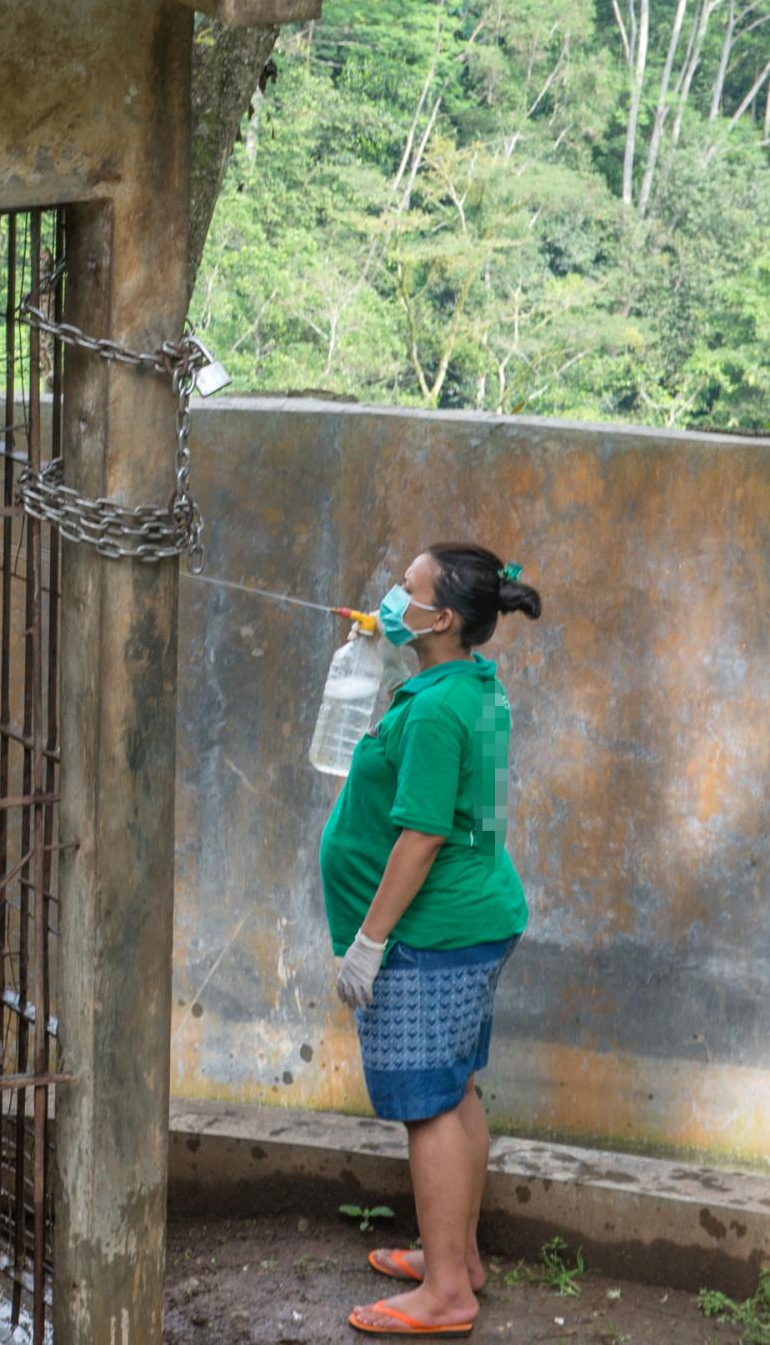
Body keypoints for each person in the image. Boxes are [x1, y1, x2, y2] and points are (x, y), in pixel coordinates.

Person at [319, 542, 541, 1338]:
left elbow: (418, 836)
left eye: (405, 590)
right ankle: (459, 1259)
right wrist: (380, 649)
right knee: (456, 1090)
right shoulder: (463, 684)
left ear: (443, 617)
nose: (389, 595)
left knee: (429, 1108)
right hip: (471, 920)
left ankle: (447, 1293)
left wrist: (369, 942)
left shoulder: (442, 709)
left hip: (434, 934)